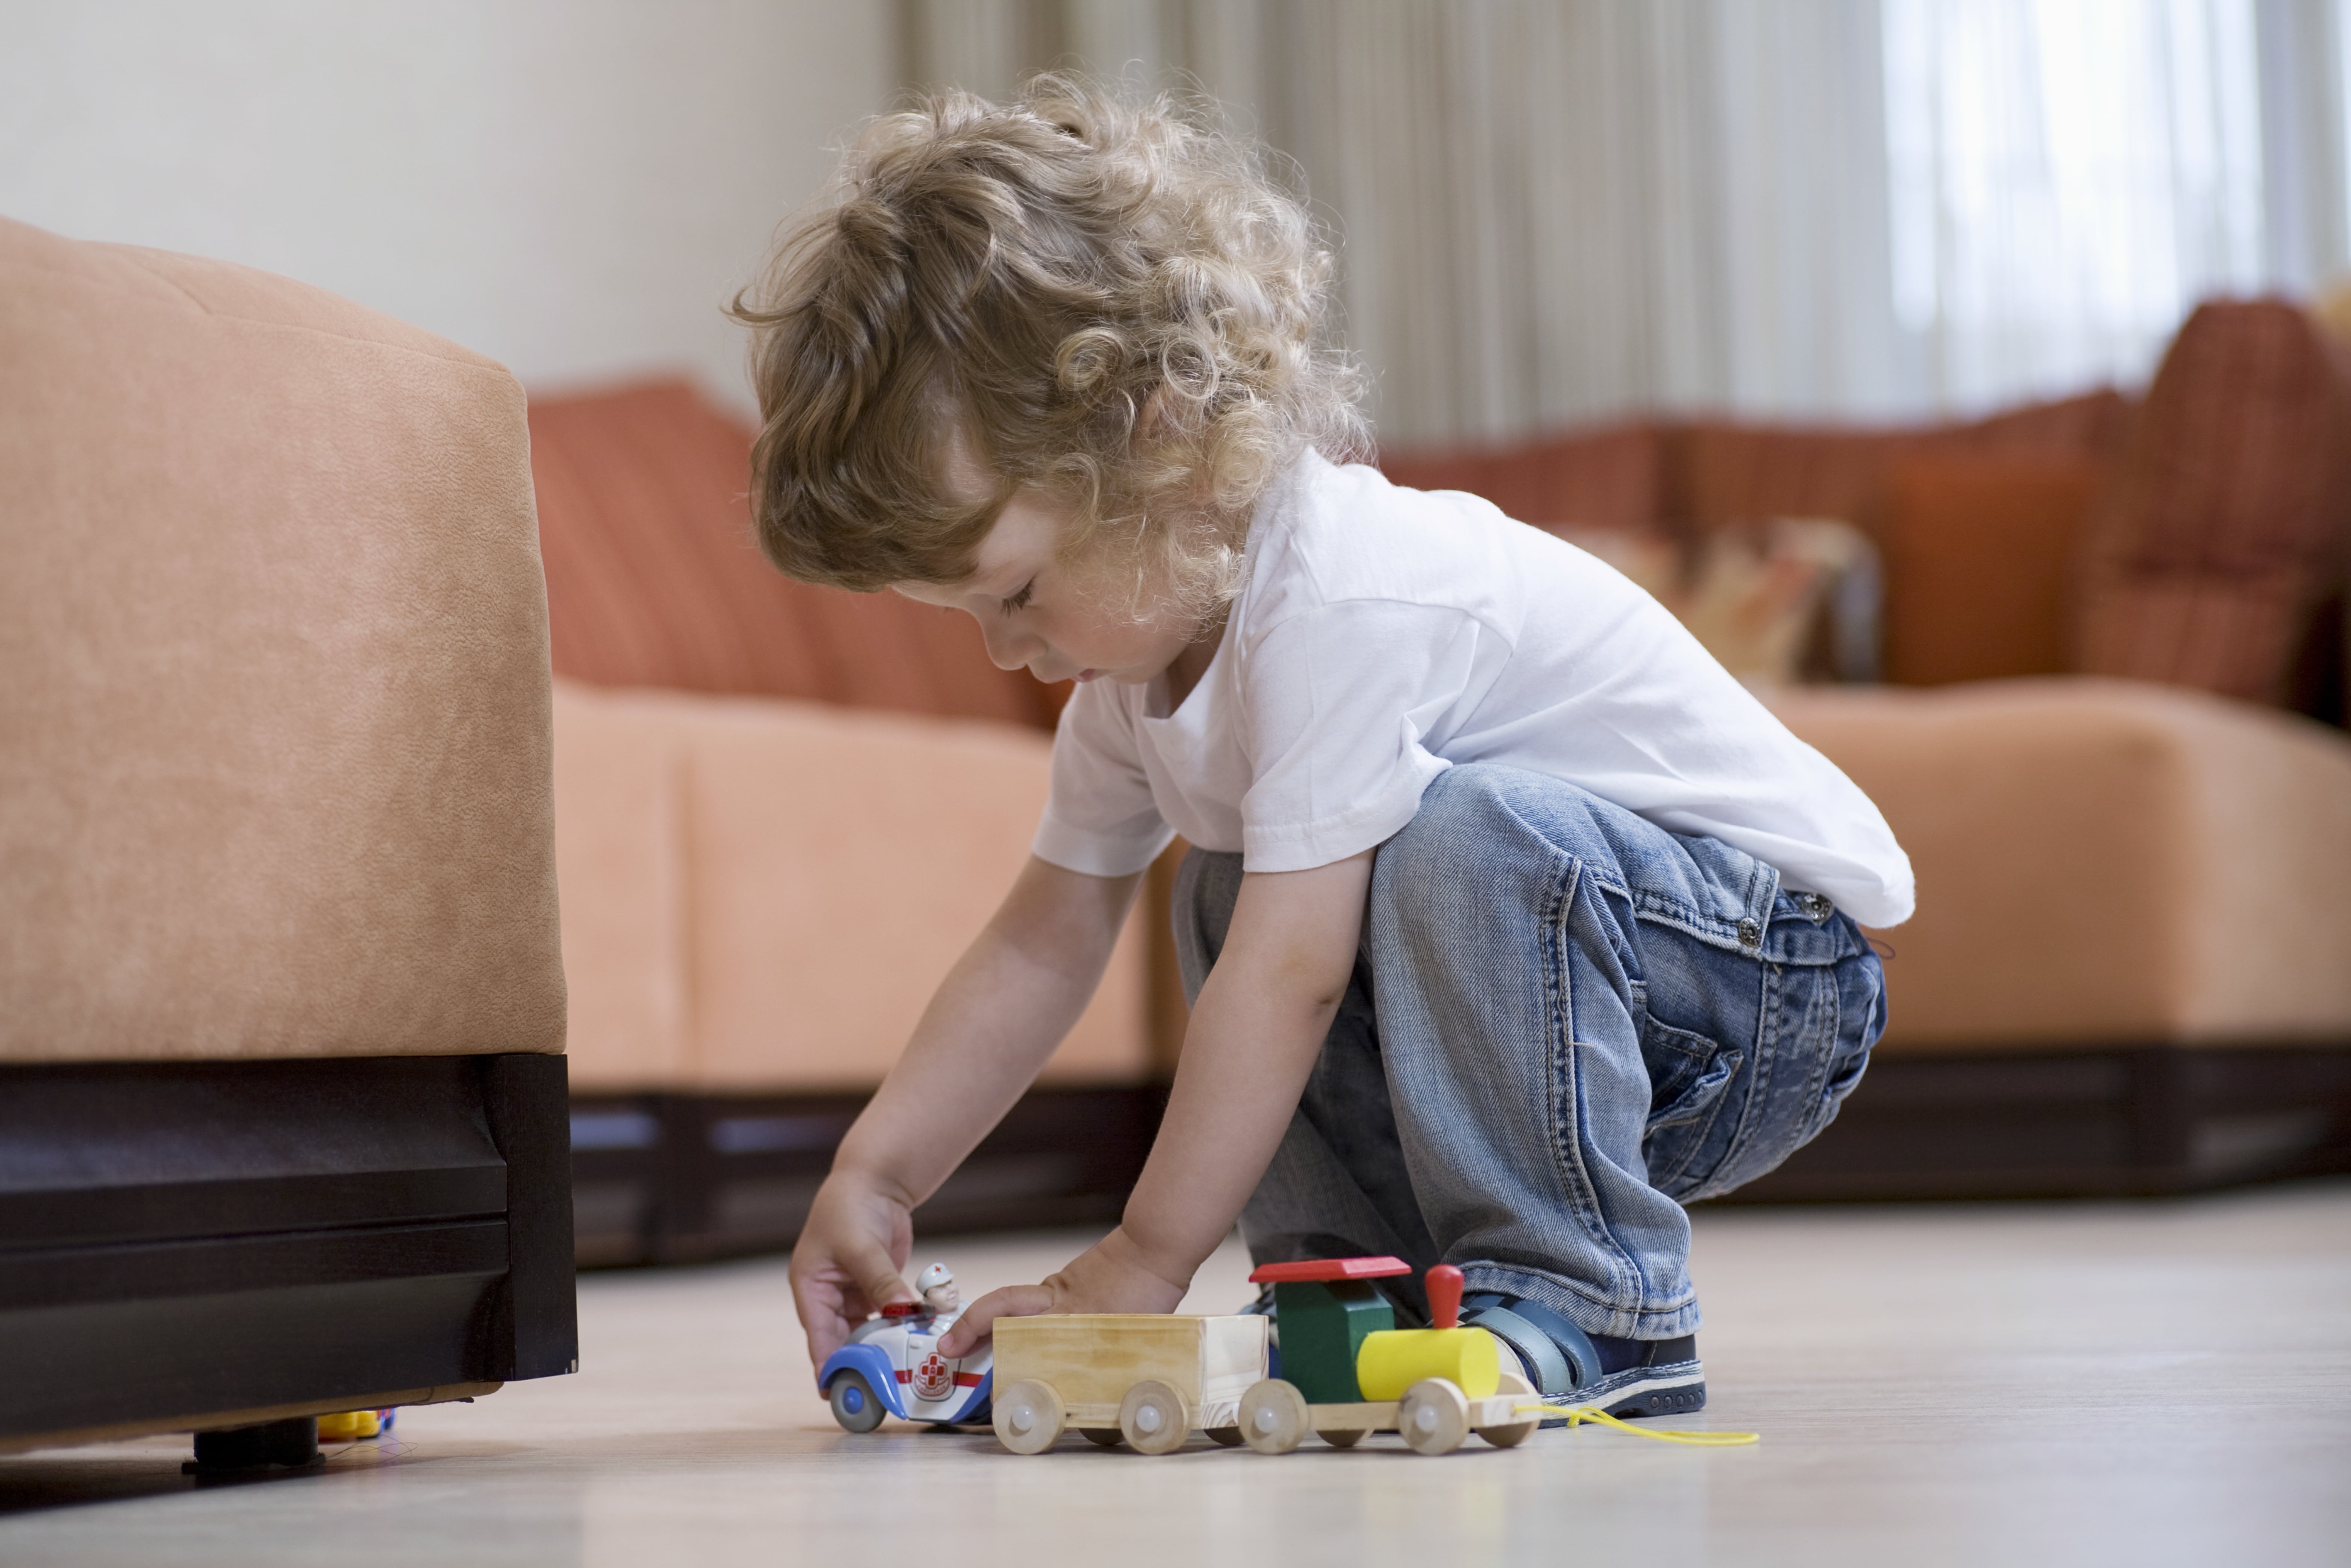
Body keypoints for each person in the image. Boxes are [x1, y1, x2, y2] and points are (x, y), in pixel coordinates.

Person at [738, 74, 1909, 1418]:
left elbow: (1293, 978)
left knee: (1442, 847)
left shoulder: (1344, 596)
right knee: (1226, 886)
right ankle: (1345, 1297)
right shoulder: (1134, 684)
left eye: (1012, 593)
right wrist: (876, 1176)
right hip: (1562, 1010)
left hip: (1756, 990)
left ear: (1156, 442)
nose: (1008, 651)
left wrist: (1138, 1262)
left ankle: (1598, 1303)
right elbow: (1041, 941)